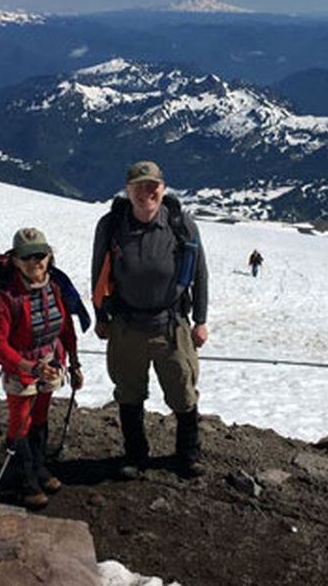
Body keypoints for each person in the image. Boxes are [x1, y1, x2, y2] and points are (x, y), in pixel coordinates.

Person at [92, 161, 209, 480]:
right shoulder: (112, 225)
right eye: (139, 186)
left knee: (183, 392)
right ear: (128, 191)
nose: (147, 191)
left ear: (163, 188)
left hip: (170, 324)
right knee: (129, 392)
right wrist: (101, 315)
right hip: (126, 325)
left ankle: (188, 453)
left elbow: (200, 273)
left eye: (153, 185)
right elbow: (99, 270)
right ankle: (135, 454)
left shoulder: (180, 224)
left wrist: (200, 319)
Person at [0, 228, 83, 509]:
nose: (36, 262)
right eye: (28, 257)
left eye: (41, 255)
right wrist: (28, 367)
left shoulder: (54, 286)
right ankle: (26, 480)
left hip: (51, 363)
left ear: (49, 256)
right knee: (21, 420)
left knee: (39, 415)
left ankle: (37, 468)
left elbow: (65, 328)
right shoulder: (7, 297)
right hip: (21, 367)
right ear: (15, 261)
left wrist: (74, 363)